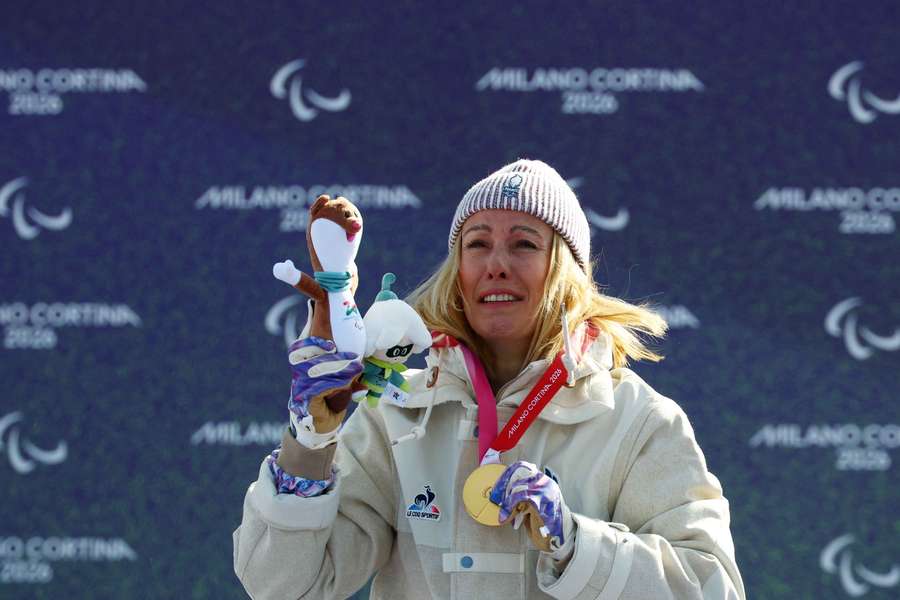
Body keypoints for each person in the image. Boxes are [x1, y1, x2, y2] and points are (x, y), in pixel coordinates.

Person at [233, 159, 746, 599]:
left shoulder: (637, 421)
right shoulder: (397, 414)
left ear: (565, 271)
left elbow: (712, 586)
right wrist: (309, 443)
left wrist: (575, 545)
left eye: (524, 244)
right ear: (457, 270)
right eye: (477, 244)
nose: (496, 264)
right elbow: (283, 586)